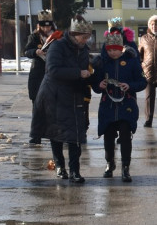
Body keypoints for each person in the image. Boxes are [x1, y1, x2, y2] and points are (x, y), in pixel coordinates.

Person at [30, 16, 95, 184]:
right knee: (56, 133)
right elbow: (52, 70)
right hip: (54, 96)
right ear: (75, 34)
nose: (87, 40)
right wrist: (78, 73)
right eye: (84, 36)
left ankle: (75, 171)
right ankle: (60, 166)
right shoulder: (57, 46)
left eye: (88, 36)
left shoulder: (83, 49)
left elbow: (86, 69)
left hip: (74, 96)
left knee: (76, 135)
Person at [92, 30, 148, 182]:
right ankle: (110, 163)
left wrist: (129, 85)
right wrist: (100, 85)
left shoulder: (131, 60)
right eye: (110, 50)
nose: (113, 53)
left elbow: (143, 82)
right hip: (107, 105)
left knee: (125, 136)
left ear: (121, 48)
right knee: (108, 136)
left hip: (127, 105)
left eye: (116, 49)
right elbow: (95, 85)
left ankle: (125, 167)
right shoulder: (101, 62)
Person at [23, 11, 58, 143]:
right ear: (39, 26)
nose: (46, 29)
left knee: (52, 105)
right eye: (43, 26)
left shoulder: (56, 37)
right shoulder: (34, 36)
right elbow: (26, 51)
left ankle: (53, 133)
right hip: (37, 74)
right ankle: (36, 135)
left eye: (48, 26)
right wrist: (35, 51)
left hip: (52, 73)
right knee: (37, 105)